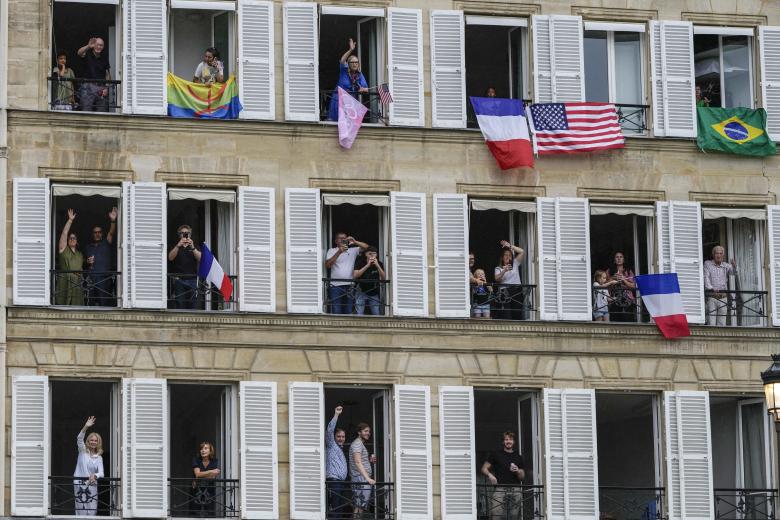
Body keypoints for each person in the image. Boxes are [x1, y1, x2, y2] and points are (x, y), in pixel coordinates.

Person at [481, 431, 525, 520]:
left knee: (513, 516)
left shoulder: (518, 456)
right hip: (500, 489)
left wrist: (518, 471)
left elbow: (522, 477)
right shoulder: (496, 454)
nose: (508, 441)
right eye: (506, 439)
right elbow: (484, 468)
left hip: (515, 489)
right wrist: (490, 475)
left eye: (511, 439)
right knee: (496, 515)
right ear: (503, 441)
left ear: (514, 442)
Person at [324, 232, 368, 314]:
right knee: (336, 310)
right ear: (335, 241)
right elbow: (328, 265)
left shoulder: (353, 250)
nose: (342, 240)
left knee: (348, 310)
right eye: (340, 238)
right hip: (335, 286)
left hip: (349, 285)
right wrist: (339, 252)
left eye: (344, 238)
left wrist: (355, 242)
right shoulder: (332, 250)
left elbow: (367, 248)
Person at [327, 39, 369, 121]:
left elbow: (366, 88)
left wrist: (363, 89)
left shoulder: (359, 75)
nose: (354, 64)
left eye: (356, 62)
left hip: (350, 104)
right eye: (352, 62)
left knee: (348, 126)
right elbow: (342, 60)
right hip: (339, 101)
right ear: (348, 64)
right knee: (337, 123)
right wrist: (351, 50)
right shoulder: (344, 70)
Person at [85, 207, 118, 307]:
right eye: (95, 232)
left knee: (104, 306)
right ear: (92, 234)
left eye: (99, 232)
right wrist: (88, 262)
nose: (97, 234)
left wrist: (113, 220)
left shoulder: (106, 243)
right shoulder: (88, 247)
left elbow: (111, 233)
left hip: (104, 280)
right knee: (90, 305)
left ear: (102, 234)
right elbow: (86, 263)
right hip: (91, 280)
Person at [73, 416, 104, 516]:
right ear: (88, 441)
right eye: (92, 440)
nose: (93, 442)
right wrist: (86, 426)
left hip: (92, 485)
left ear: (98, 442)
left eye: (96, 441)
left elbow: (101, 473)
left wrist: (95, 475)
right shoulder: (82, 451)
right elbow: (79, 438)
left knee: (92, 511)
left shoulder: (99, 457)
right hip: (79, 484)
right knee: (80, 510)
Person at [168, 225, 202, 309]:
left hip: (192, 279)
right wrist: (178, 246)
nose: (185, 235)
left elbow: (201, 259)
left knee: (193, 304)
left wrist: (193, 247)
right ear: (179, 235)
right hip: (179, 280)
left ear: (190, 235)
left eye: (187, 233)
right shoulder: (175, 246)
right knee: (180, 304)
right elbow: (170, 258)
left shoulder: (195, 246)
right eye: (182, 233)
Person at [56, 209, 85, 306]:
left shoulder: (80, 254)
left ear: (77, 241)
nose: (72, 239)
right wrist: (70, 221)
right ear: (67, 240)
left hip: (77, 285)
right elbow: (64, 234)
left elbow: (82, 268)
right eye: (70, 238)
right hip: (65, 284)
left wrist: (89, 263)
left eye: (74, 238)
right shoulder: (63, 249)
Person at [704, 245, 737, 326]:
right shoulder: (708, 264)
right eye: (716, 253)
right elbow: (706, 278)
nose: (718, 255)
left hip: (723, 298)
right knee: (711, 322)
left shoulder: (726, 266)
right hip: (712, 297)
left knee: (721, 323)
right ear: (713, 254)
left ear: (723, 255)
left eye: (720, 253)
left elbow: (733, 273)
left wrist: (734, 266)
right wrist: (711, 288)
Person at [325, 406, 349, 519]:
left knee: (340, 510)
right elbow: (330, 430)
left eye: (343, 436)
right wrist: (336, 414)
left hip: (341, 483)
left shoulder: (341, 448)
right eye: (338, 436)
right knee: (334, 510)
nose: (341, 438)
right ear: (334, 437)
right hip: (334, 482)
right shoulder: (331, 445)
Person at [493, 240, 525, 320]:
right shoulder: (498, 268)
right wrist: (504, 271)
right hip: (505, 292)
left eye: (510, 255)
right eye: (506, 255)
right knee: (507, 315)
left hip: (517, 291)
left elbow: (522, 252)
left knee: (517, 315)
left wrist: (510, 246)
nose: (508, 256)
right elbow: (497, 279)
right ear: (502, 257)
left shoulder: (515, 264)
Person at [77, 37, 111, 112]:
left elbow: (107, 74)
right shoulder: (87, 54)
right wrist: (88, 46)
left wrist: (106, 87)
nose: (99, 47)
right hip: (87, 86)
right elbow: (79, 53)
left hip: (101, 87)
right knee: (86, 111)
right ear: (93, 45)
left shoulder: (104, 57)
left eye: (101, 45)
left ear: (103, 47)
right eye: (97, 44)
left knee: (102, 111)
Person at [350, 423, 376, 517]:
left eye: (369, 431)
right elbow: (357, 462)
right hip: (361, 479)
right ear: (359, 432)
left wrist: (369, 460)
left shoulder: (360, 444)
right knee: (359, 506)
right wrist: (368, 479)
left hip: (361, 478)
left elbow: (360, 460)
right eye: (365, 431)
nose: (368, 433)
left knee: (359, 506)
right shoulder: (357, 444)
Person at [353, 246, 386, 316]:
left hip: (374, 292)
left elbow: (383, 278)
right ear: (366, 254)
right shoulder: (360, 262)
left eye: (374, 254)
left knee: (376, 313)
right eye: (370, 254)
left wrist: (377, 266)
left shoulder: (379, 263)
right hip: (361, 290)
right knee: (359, 313)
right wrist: (367, 265)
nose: (372, 255)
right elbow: (355, 275)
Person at [192, 441, 220, 517]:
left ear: (210, 451)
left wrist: (201, 475)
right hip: (197, 490)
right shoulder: (196, 460)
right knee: (195, 512)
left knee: (209, 512)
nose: (203, 450)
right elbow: (197, 474)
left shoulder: (214, 461)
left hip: (209, 490)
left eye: (205, 448)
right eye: (201, 448)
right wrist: (211, 471)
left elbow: (213, 476)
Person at [607, 252, 637, 322]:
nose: (619, 259)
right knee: (615, 321)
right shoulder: (609, 271)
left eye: (621, 257)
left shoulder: (628, 271)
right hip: (614, 300)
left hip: (628, 300)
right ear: (614, 260)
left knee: (628, 320)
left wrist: (624, 280)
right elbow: (603, 284)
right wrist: (612, 278)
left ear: (623, 259)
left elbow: (633, 286)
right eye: (617, 257)